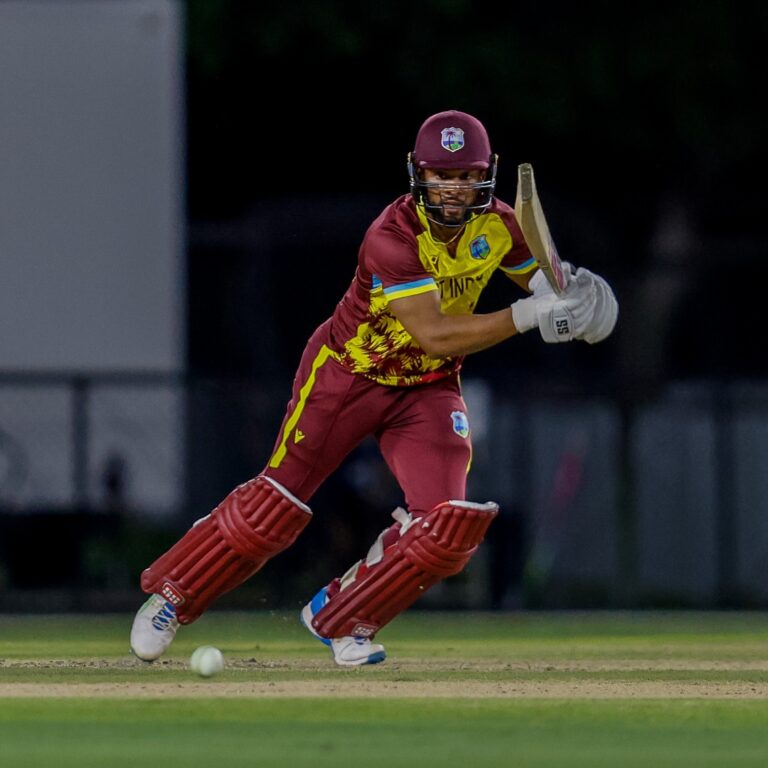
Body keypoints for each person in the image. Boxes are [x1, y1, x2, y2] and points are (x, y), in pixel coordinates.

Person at [130, 109, 618, 667]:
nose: (454, 189)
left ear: (487, 174)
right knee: (274, 509)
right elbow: (434, 333)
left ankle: (341, 618)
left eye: (465, 176)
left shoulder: (501, 224)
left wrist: (582, 301)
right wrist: (531, 317)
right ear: (418, 173)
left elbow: (545, 283)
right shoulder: (392, 236)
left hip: (427, 390)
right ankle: (170, 597)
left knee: (446, 527)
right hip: (348, 375)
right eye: (441, 176)